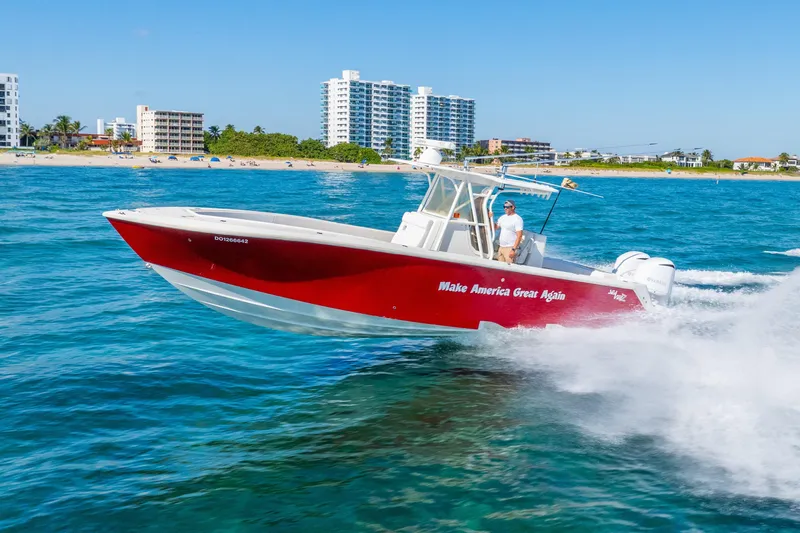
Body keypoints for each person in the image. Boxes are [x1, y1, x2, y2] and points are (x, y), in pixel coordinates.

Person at [489, 199, 523, 264]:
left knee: (509, 270)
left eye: (507, 207)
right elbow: (495, 227)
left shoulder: (517, 219)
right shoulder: (503, 217)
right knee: (500, 269)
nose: (505, 208)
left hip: (510, 248)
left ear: (513, 207)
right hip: (501, 247)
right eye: (504, 207)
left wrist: (513, 250)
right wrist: (490, 218)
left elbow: (519, 236)